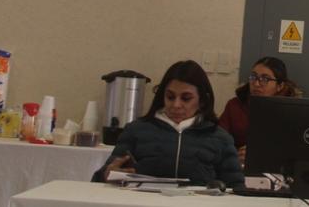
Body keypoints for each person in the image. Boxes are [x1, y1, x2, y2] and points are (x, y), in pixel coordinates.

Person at [93, 60, 244, 187]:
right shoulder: (136, 130)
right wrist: (107, 174)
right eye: (170, 97)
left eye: (186, 98)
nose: (176, 105)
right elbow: (99, 179)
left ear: (202, 101)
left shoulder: (220, 138)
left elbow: (236, 188)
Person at [218, 56, 299, 163]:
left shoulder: (290, 110)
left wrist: (263, 154)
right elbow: (218, 140)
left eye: (265, 79)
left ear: (279, 86)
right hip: (238, 165)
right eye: (253, 77)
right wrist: (235, 155)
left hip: (275, 167)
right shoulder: (234, 105)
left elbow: (294, 148)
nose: (256, 84)